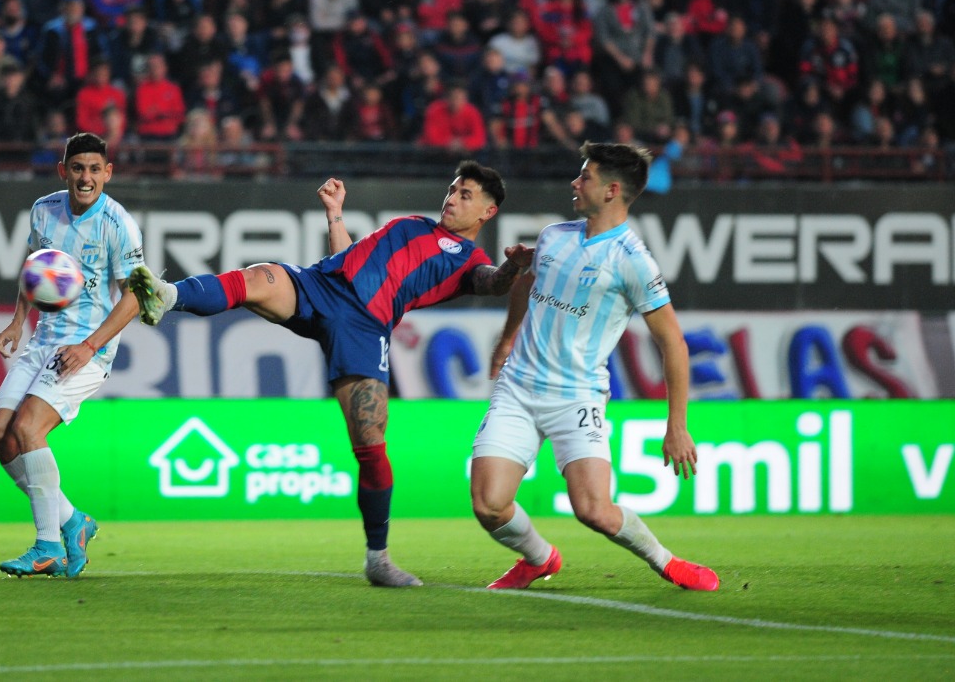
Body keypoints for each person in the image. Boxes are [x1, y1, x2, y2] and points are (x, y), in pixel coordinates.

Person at [128, 162, 531, 587]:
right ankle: (166, 295)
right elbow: (346, 256)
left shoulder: (470, 260)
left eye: (465, 195)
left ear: (488, 212)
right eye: (452, 189)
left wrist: (512, 268)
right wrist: (335, 211)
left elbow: (493, 282)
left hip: (364, 324)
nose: (451, 198)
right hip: (322, 283)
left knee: (370, 443)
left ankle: (379, 559)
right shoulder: (413, 223)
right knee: (256, 277)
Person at [469, 142, 719, 592]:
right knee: (488, 504)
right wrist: (509, 336)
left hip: (576, 397)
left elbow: (674, 343)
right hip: (519, 387)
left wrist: (677, 425)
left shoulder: (633, 262)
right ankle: (539, 558)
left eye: (584, 176)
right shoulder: (553, 235)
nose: (574, 182)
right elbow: (528, 283)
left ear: (612, 191)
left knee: (595, 511)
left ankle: (666, 562)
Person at [0, 132, 146, 578]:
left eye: (95, 169)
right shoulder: (44, 210)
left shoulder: (118, 225)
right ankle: (73, 521)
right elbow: (35, 270)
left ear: (108, 173)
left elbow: (136, 298)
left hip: (86, 350)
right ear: (63, 171)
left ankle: (47, 546)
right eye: (78, 169)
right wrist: (18, 320)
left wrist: (90, 345)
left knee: (28, 428)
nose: (86, 177)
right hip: (43, 342)